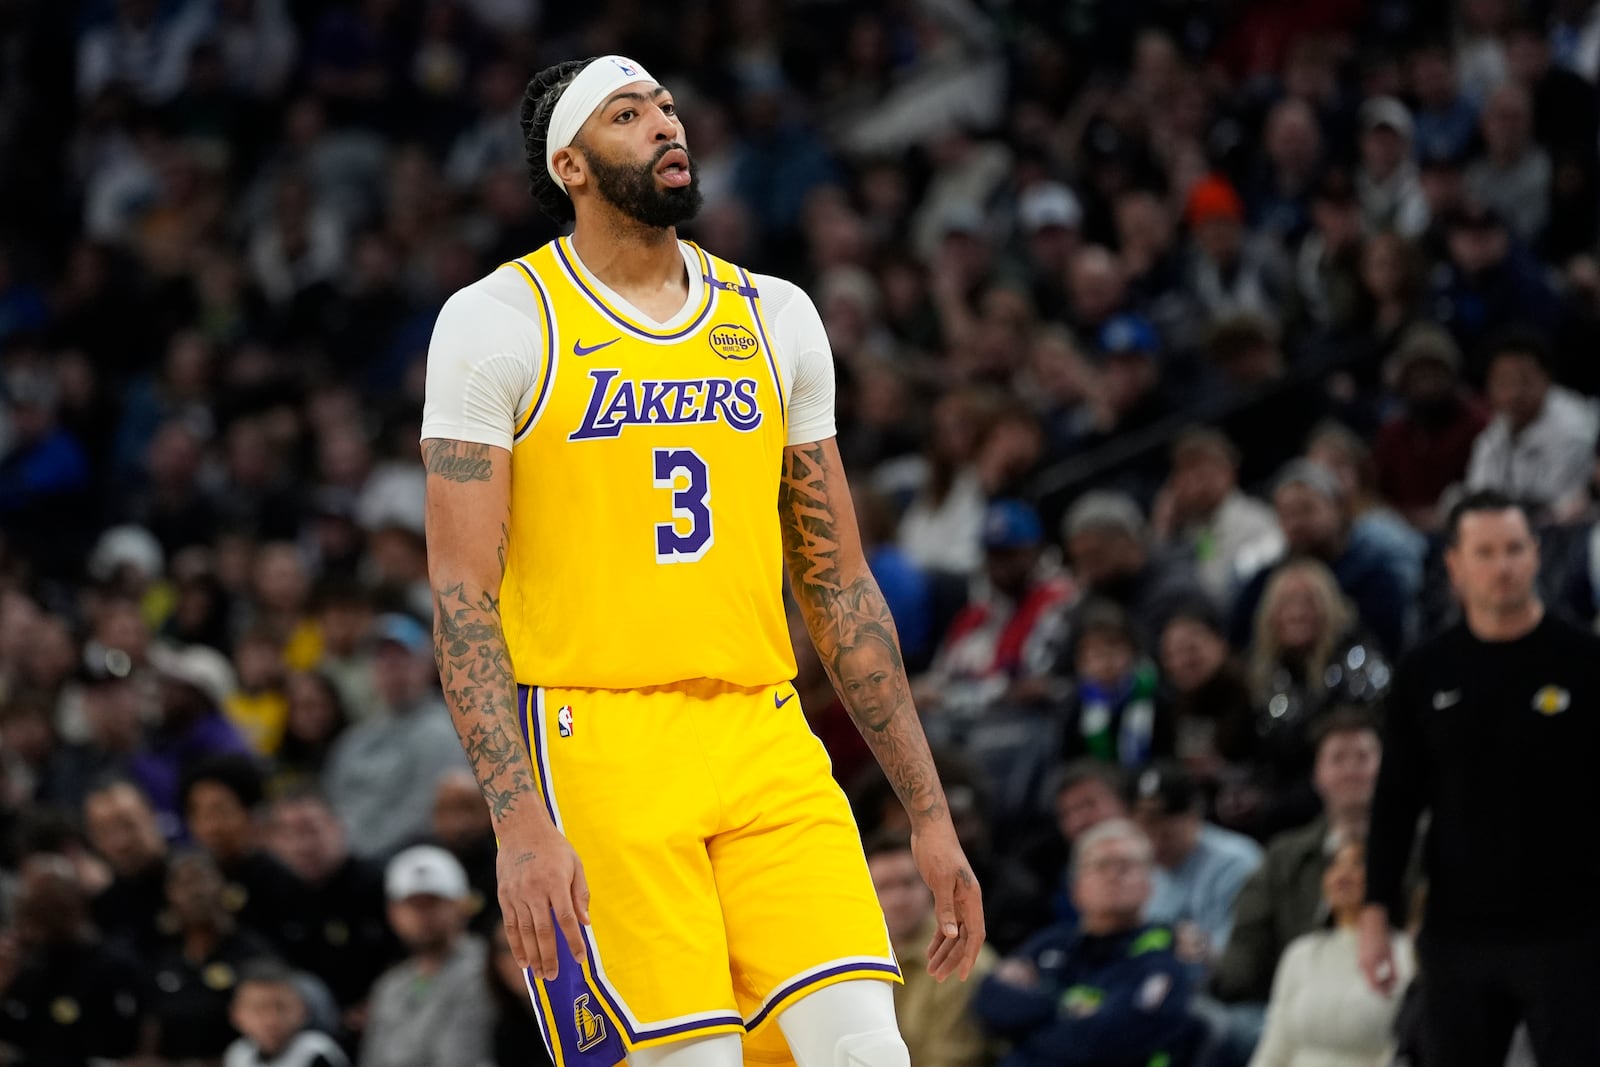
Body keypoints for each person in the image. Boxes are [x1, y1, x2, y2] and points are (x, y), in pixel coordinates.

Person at [420, 55, 982, 1067]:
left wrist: (927, 812)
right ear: (571, 166)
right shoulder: (497, 320)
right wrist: (517, 822)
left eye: (669, 108)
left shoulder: (774, 314)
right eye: (628, 114)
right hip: (599, 741)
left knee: (868, 1050)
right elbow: (460, 595)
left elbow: (840, 583)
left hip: (763, 726)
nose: (665, 126)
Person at [1359, 490, 1600, 1065]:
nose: (1503, 566)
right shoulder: (1424, 671)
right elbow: (1395, 802)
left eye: (1515, 549)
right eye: (1485, 552)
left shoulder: (1586, 662)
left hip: (1572, 929)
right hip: (1457, 932)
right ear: (1455, 565)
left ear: (1537, 554)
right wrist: (1375, 912)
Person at [973, 819, 1203, 1067]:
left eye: (1126, 865)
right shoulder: (1052, 942)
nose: (1114, 875)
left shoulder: (1166, 951)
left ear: (1149, 884)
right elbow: (989, 1001)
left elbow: (1111, 1041)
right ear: (1076, 888)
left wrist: (1028, 1026)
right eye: (1101, 865)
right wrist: (1066, 1009)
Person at [1250, 840, 1414, 1067]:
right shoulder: (1300, 953)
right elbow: (1275, 1045)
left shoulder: (1407, 956)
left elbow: (1403, 1048)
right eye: (1335, 865)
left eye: (1358, 864)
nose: (1343, 875)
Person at [866, 832, 996, 1067]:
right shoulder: (859, 955)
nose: (898, 898)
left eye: (908, 883)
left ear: (930, 886)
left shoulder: (963, 956)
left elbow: (950, 1060)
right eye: (885, 887)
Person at [359, 846, 493, 1067]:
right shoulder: (389, 985)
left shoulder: (487, 968)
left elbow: (459, 1058)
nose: (422, 915)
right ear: (393, 913)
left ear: (462, 904)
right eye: (412, 905)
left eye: (434, 902)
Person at [225, 960, 350, 1067]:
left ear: (303, 1010)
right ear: (236, 1015)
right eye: (259, 1009)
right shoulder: (238, 1054)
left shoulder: (315, 1053)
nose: (271, 1020)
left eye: (281, 1007)